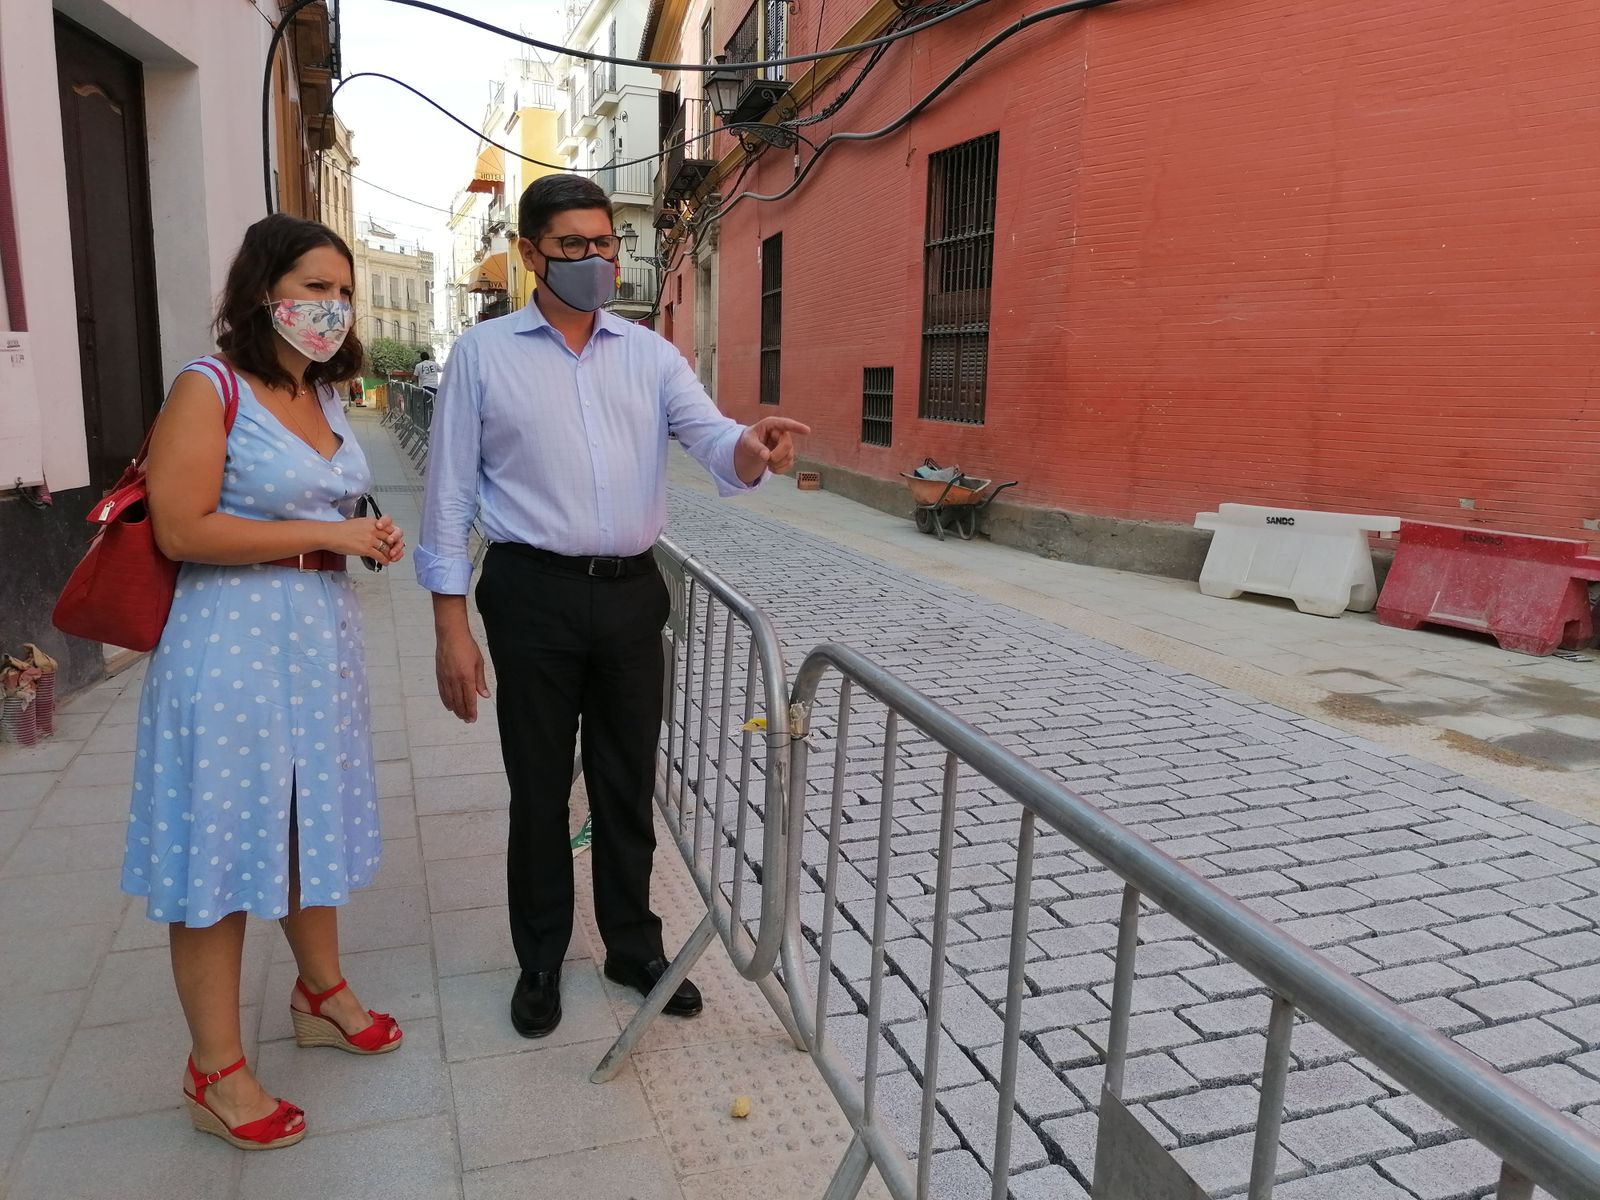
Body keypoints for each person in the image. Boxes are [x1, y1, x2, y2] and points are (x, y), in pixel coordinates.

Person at [417, 174, 808, 1039]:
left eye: (606, 244)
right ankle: (543, 958)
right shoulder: (483, 357)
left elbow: (713, 440)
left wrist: (753, 447)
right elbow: (446, 496)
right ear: (530, 254)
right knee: (539, 788)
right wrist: (450, 624)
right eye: (574, 246)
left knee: (629, 786)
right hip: (532, 595)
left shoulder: (649, 354)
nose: (597, 259)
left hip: (633, 595)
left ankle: (634, 946)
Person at [127, 213, 408, 1151]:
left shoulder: (324, 396)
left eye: (342, 291)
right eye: (313, 289)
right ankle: (213, 1070)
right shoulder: (210, 389)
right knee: (216, 847)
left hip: (314, 642)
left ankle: (320, 992)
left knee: (306, 819)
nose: (332, 308)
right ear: (263, 295)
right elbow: (182, 527)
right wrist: (328, 534)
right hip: (229, 649)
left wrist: (358, 534)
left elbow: (321, 506)